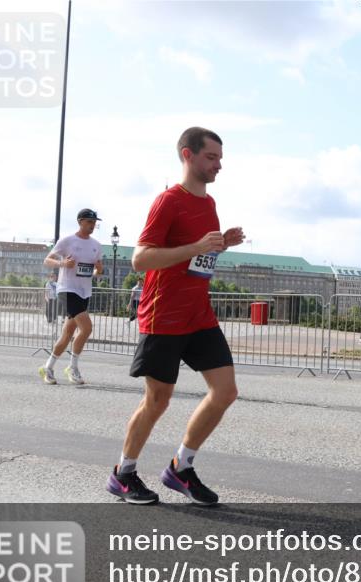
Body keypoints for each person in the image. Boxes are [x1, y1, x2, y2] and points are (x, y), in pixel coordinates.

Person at [106, 127, 245, 506]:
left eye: (219, 157)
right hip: (163, 315)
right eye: (211, 157)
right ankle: (123, 475)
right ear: (188, 155)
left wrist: (220, 244)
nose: (219, 164)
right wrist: (195, 247)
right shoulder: (167, 201)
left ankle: (180, 468)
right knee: (157, 401)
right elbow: (140, 258)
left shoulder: (210, 203)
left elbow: (198, 258)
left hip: (198, 314)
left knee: (225, 392)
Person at [39, 209, 104, 385]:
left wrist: (99, 269)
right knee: (87, 328)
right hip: (67, 290)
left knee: (67, 334)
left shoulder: (96, 245)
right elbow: (47, 260)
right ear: (80, 222)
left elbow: (98, 272)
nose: (92, 225)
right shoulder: (67, 241)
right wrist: (62, 263)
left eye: (94, 223)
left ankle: (48, 367)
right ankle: (73, 367)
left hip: (85, 291)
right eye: (89, 222)